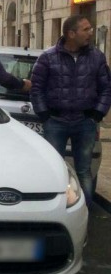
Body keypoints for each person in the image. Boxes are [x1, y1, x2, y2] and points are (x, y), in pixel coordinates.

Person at [31, 14, 111, 204]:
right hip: (55, 122)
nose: (90, 33)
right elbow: (36, 88)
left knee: (84, 171)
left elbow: (106, 87)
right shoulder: (48, 57)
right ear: (71, 33)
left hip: (85, 122)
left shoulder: (97, 57)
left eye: (91, 29)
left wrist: (98, 113)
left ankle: (84, 213)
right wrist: (45, 115)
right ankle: (54, 209)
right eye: (86, 29)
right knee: (54, 168)